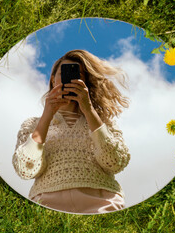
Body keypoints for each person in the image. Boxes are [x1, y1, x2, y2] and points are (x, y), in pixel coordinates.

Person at [12, 49, 131, 214]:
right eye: (64, 73)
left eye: (78, 74)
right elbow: (25, 169)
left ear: (86, 82)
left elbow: (116, 162)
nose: (70, 78)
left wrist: (88, 110)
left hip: (102, 202)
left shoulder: (104, 122)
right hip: (46, 203)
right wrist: (47, 114)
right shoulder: (32, 125)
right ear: (53, 79)